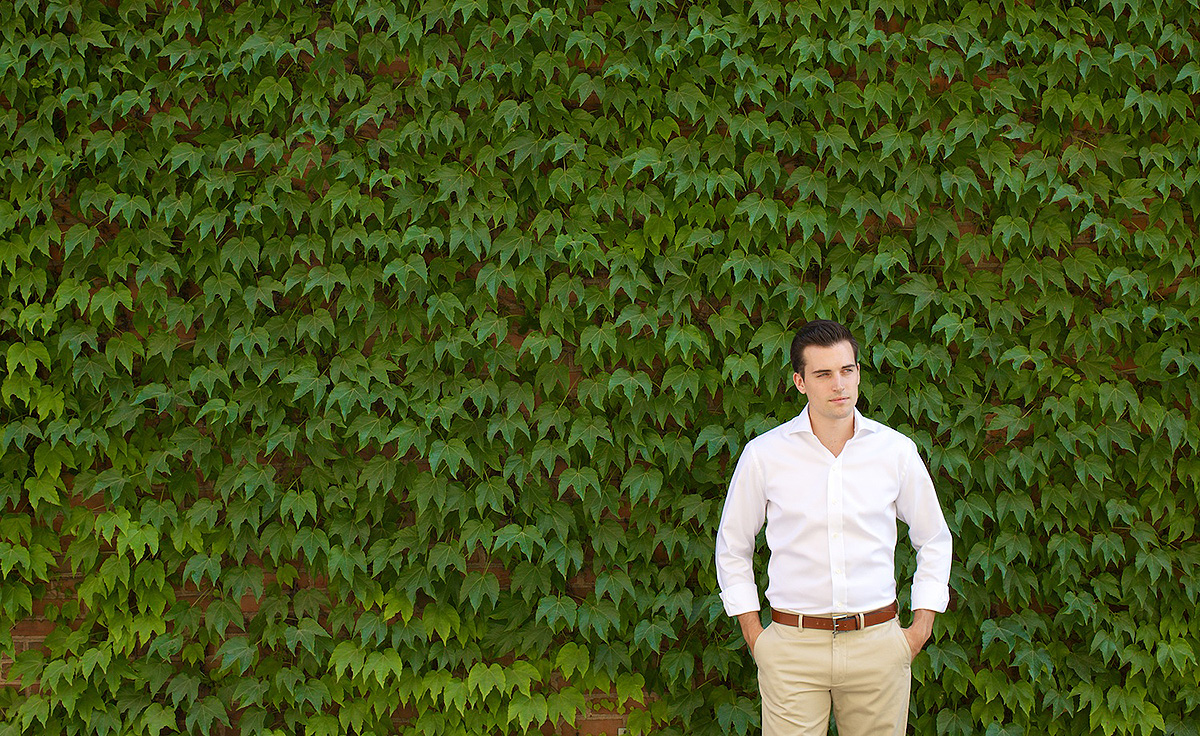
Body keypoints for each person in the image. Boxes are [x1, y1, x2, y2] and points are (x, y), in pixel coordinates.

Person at [714, 319, 952, 735]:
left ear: (858, 372)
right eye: (823, 374)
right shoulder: (765, 455)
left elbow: (933, 538)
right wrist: (757, 637)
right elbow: (733, 545)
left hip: (877, 645)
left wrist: (919, 630)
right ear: (800, 381)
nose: (838, 384)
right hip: (793, 648)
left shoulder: (894, 451)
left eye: (847, 370)